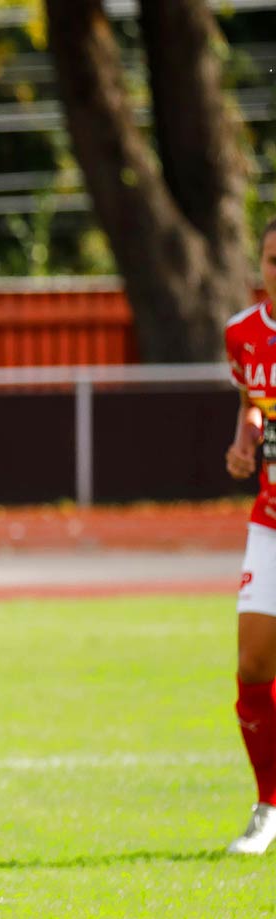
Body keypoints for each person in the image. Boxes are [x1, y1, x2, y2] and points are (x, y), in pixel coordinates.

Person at [223, 214, 276, 855]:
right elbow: (252, 407)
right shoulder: (243, 334)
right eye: (271, 260)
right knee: (254, 662)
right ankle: (268, 804)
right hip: (269, 520)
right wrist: (244, 445)